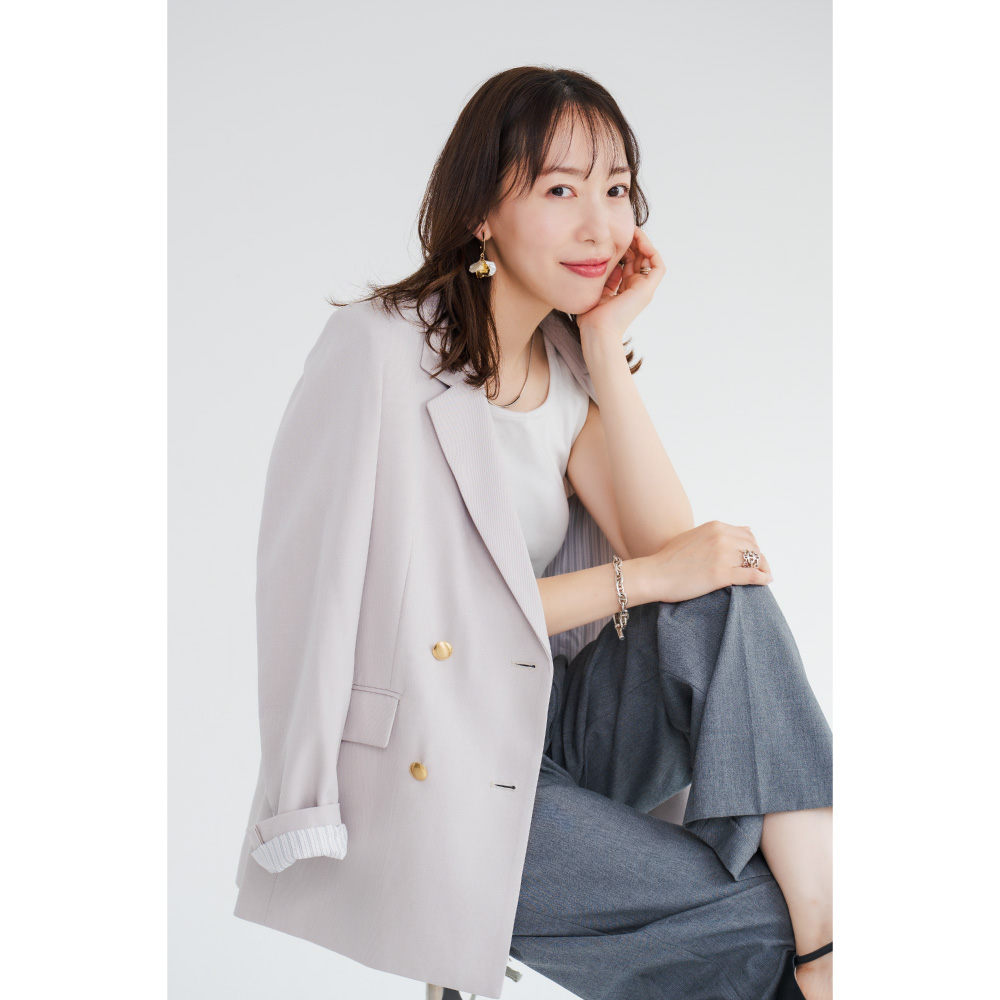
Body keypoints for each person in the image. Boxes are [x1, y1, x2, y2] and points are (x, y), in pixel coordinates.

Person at [247, 65, 833, 1000]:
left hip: (554, 731)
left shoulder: (564, 367)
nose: (602, 226)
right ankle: (824, 943)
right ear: (483, 210)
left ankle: (827, 919)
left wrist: (603, 349)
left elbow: (678, 565)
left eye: (617, 190)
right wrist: (298, 795)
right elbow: (318, 596)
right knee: (764, 924)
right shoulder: (379, 350)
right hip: (435, 761)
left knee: (726, 594)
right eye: (562, 191)